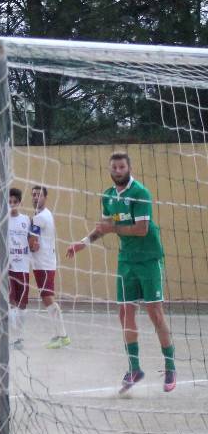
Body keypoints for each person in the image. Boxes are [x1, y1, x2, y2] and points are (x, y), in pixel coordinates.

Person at [66, 152, 175, 393]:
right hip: (126, 260)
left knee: (154, 312)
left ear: (128, 168)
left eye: (121, 166)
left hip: (148, 259)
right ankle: (134, 369)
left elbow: (141, 229)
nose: (118, 170)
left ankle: (170, 366)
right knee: (124, 312)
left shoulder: (141, 193)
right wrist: (82, 242)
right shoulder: (107, 196)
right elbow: (104, 228)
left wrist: (113, 227)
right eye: (114, 167)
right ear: (110, 170)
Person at [0, 188, 32, 349]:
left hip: (23, 266)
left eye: (15, 202)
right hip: (7, 267)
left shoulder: (26, 220)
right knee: (10, 301)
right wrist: (0, 259)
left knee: (22, 304)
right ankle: (13, 337)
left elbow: (32, 240)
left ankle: (20, 336)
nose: (12, 205)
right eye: (9, 202)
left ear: (19, 203)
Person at [29, 185, 70, 349]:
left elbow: (32, 242)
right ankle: (57, 334)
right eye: (33, 195)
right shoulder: (42, 215)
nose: (35, 197)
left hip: (44, 263)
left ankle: (64, 336)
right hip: (43, 263)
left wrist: (27, 245)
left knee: (48, 298)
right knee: (46, 298)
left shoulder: (40, 217)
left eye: (39, 195)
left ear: (45, 198)